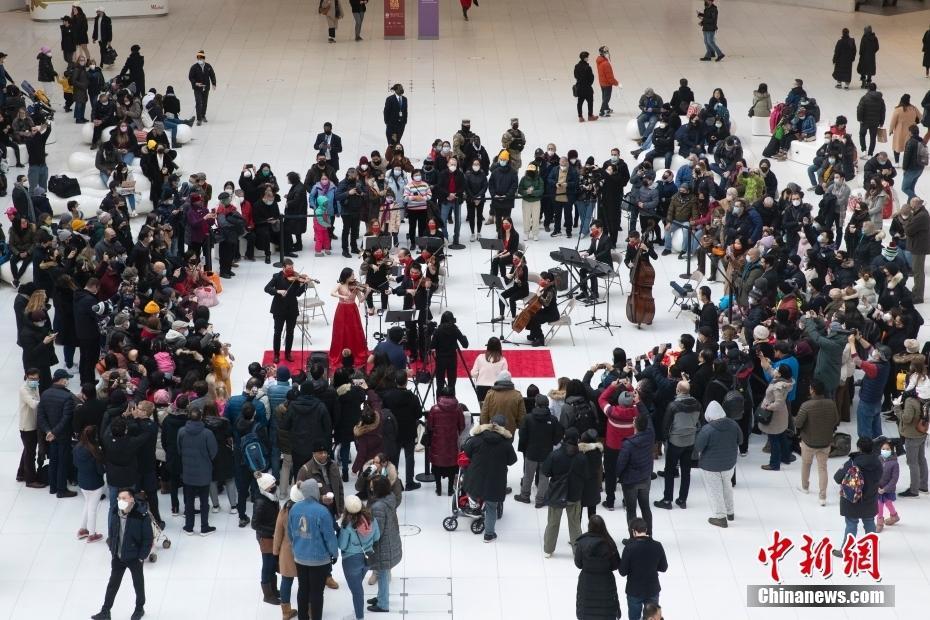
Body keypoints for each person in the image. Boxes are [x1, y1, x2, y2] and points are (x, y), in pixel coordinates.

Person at [89, 490, 152, 620]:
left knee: (138, 584)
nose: (120, 501)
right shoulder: (114, 512)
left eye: (124, 498)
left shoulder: (141, 515)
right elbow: (112, 531)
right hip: (118, 556)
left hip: (134, 557)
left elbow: (148, 538)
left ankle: (139, 609)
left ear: (131, 499)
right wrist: (112, 549)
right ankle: (105, 611)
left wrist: (142, 556)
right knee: (113, 584)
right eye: (119, 498)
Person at [289, 479, 339, 620]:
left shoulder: (294, 509)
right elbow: (329, 537)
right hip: (319, 560)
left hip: (300, 557)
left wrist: (296, 547)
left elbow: (290, 533)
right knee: (317, 593)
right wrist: (334, 553)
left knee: (303, 589)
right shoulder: (322, 512)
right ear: (314, 491)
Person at [462, 414, 518, 542]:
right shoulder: (505, 443)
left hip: (475, 477)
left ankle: (473, 500)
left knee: (472, 488)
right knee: (491, 507)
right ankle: (489, 535)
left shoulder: (477, 439)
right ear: (503, 427)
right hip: (496, 480)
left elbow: (466, 452)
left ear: (491, 422)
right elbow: (512, 461)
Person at [832, 437, 882, 556]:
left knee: (851, 524)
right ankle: (871, 549)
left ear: (859, 448)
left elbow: (837, 478)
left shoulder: (853, 462)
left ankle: (846, 550)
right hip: (870, 499)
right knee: (869, 522)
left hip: (852, 499)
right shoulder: (878, 462)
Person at [695, 401, 742, 527]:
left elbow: (698, 446)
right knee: (727, 487)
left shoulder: (707, 429)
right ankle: (730, 512)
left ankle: (720, 517)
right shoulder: (733, 424)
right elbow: (740, 440)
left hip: (711, 466)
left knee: (715, 491)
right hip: (729, 464)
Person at [654, 381, 700, 510]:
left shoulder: (673, 406)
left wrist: (666, 438)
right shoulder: (697, 404)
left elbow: (666, 426)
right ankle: (682, 500)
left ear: (678, 391)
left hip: (675, 442)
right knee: (686, 472)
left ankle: (667, 500)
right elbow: (699, 422)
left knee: (670, 471)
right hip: (690, 441)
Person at [541, 427, 586, 557]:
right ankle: (577, 551)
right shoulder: (582, 458)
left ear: (564, 438)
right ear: (577, 440)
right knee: (575, 525)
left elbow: (546, 471)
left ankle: (549, 549)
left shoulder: (555, 455)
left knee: (553, 523)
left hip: (557, 494)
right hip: (574, 495)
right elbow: (586, 475)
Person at [795, 380, 840, 506]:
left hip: (808, 441)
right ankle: (822, 497)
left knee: (806, 464)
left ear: (813, 390)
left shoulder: (806, 406)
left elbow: (798, 423)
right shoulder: (831, 403)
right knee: (822, 468)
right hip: (825, 442)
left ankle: (805, 487)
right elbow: (836, 420)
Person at [515, 393, 564, 506]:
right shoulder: (552, 419)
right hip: (546, 453)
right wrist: (551, 442)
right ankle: (540, 500)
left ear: (536, 404)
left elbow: (522, 435)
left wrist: (526, 446)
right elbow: (558, 436)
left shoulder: (528, 418)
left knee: (528, 475)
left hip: (531, 452)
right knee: (544, 477)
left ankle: (525, 496)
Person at [338, 494, 380, 619]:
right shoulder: (371, 519)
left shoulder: (347, 525)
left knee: (356, 591)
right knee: (357, 586)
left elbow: (342, 545)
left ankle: (359, 616)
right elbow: (377, 537)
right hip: (368, 557)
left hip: (351, 561)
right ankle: (358, 610)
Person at [37, 368, 77, 498]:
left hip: (49, 435)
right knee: (62, 462)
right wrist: (54, 432)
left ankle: (53, 487)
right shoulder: (67, 397)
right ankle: (61, 489)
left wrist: (49, 431)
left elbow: (41, 416)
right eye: (67, 379)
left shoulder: (45, 394)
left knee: (53, 460)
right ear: (62, 380)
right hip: (62, 435)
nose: (67, 381)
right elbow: (66, 418)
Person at [178, 408, 218, 536]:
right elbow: (213, 452)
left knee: (189, 501)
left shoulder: (182, 431)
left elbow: (179, 450)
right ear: (201, 417)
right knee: (204, 501)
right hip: (204, 472)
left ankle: (189, 527)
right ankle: (204, 527)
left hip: (188, 472)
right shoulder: (207, 433)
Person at [618, 517, 668, 620]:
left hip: (634, 590)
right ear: (646, 530)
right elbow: (664, 567)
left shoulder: (629, 548)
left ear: (633, 531)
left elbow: (622, 572)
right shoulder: (657, 545)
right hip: (652, 588)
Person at [574, 515, 620, 620]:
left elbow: (578, 564)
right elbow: (616, 564)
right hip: (606, 583)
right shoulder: (609, 543)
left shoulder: (582, 542)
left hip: (586, 582)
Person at [366, 475, 401, 612]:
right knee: (384, 573)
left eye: (372, 486)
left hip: (382, 546)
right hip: (390, 540)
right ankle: (381, 596)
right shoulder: (390, 498)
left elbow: (377, 531)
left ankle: (383, 603)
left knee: (382, 574)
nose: (370, 487)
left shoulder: (378, 507)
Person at [615, 413, 654, 536]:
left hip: (630, 482)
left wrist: (616, 475)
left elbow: (621, 463)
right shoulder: (650, 436)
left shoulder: (628, 444)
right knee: (645, 508)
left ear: (634, 425)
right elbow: (647, 419)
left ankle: (633, 537)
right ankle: (649, 535)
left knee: (631, 510)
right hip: (645, 478)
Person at [264, 259, 308, 364]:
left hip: (292, 309)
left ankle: (288, 353)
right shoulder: (277, 277)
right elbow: (267, 288)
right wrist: (278, 291)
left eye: (292, 267)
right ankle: (276, 354)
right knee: (277, 332)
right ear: (283, 268)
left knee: (290, 332)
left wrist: (304, 285)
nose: (292, 270)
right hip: (278, 309)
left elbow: (297, 294)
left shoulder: (296, 278)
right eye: (289, 268)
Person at [426, 386, 465, 496]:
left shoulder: (434, 408)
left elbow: (429, 426)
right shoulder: (458, 408)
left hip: (437, 442)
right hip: (451, 441)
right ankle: (449, 490)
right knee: (452, 466)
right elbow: (461, 426)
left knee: (437, 465)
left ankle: (438, 489)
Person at [329, 268, 369, 369]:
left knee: (354, 332)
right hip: (342, 310)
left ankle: (354, 353)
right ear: (346, 276)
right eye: (351, 275)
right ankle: (341, 353)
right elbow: (332, 293)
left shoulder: (356, 286)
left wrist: (367, 292)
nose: (353, 277)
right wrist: (342, 296)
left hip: (352, 310)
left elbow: (361, 299)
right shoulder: (340, 285)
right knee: (340, 332)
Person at [252, 472, 282, 605]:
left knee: (272, 563)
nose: (275, 486)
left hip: (272, 536)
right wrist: (274, 531)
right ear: (265, 487)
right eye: (272, 485)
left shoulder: (271, 497)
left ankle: (273, 589)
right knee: (267, 565)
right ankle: (267, 594)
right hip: (266, 538)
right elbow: (255, 524)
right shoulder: (261, 502)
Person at [758, 364, 794, 470]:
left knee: (774, 439)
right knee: (782, 436)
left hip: (774, 416)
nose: (775, 370)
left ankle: (774, 464)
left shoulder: (778, 387)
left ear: (780, 374)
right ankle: (786, 457)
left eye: (777, 370)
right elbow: (772, 371)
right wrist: (763, 360)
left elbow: (778, 403)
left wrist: (768, 407)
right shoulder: (786, 381)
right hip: (782, 415)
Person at [274, 484, 301, 620]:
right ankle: (306, 609)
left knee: (286, 580)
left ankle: (285, 611)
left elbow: (278, 532)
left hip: (287, 551)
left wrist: (275, 552)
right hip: (303, 551)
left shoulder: (284, 509)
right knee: (305, 582)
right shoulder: (305, 510)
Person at [430, 310, 469, 394]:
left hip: (440, 360)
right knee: (451, 384)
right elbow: (465, 345)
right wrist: (464, 337)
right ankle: (452, 404)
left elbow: (432, 346)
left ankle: (439, 403)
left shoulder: (438, 330)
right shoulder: (455, 329)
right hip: (452, 359)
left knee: (439, 384)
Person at [479, 370, 526, 435]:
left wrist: (485, 428)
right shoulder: (517, 395)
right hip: (509, 432)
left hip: (493, 429)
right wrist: (516, 426)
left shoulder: (490, 394)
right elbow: (522, 416)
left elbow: (484, 414)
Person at [903, 196, 930, 303]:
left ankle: (918, 296)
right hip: (918, 246)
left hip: (919, 247)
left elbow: (908, 230)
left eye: (911, 204)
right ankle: (916, 292)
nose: (910, 206)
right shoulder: (919, 214)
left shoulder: (921, 216)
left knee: (918, 271)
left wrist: (908, 222)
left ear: (916, 204)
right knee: (917, 270)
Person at [576, 220, 611, 301]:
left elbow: (605, 252)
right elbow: (591, 249)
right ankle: (584, 292)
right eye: (591, 229)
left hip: (605, 265)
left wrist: (594, 256)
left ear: (600, 229)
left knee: (593, 272)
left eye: (593, 229)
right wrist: (586, 253)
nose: (592, 231)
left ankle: (594, 293)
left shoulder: (607, 239)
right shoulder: (594, 239)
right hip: (596, 264)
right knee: (582, 270)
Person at [524, 270, 560, 347]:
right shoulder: (547, 287)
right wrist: (532, 301)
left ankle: (540, 339)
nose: (541, 281)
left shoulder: (551, 290)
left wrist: (539, 296)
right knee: (532, 314)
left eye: (542, 280)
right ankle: (533, 334)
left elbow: (546, 303)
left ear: (548, 281)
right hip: (548, 311)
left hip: (552, 314)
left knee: (535, 318)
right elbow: (541, 300)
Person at [470, 338, 508, 403]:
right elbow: (505, 377)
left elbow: (473, 373)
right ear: (499, 347)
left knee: (483, 411)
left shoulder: (480, 357)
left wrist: (480, 375)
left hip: (481, 389)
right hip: (496, 389)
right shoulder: (503, 360)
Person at [876, 439, 900, 531]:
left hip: (888, 489)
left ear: (891, 450)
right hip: (878, 488)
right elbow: (875, 474)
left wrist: (885, 489)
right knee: (887, 503)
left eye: (887, 449)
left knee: (880, 504)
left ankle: (879, 522)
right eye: (883, 449)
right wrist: (876, 486)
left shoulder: (894, 463)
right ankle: (894, 516)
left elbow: (894, 479)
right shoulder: (878, 460)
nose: (885, 451)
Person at [188, 50, 217, 126]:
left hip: (206, 87)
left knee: (204, 102)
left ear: (204, 59)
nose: (199, 60)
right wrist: (195, 83)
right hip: (197, 88)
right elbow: (190, 77)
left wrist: (214, 83)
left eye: (201, 59)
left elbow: (212, 75)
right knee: (198, 103)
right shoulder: (194, 67)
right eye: (198, 59)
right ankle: (199, 119)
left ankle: (203, 115)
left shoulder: (208, 66)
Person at [856, 83, 885, 157]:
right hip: (875, 122)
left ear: (868, 89)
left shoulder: (864, 98)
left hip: (864, 121)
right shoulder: (880, 99)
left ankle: (863, 151)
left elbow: (860, 109)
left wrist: (860, 119)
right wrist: (882, 122)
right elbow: (883, 111)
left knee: (862, 135)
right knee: (873, 138)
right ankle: (870, 154)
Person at [901, 125, 926, 202]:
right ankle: (911, 205)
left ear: (910, 133)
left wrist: (904, 168)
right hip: (920, 169)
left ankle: (918, 201)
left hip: (911, 169)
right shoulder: (922, 141)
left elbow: (906, 157)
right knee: (911, 188)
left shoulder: (910, 142)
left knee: (904, 188)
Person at [573, 51, 597, 122]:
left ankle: (580, 117)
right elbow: (591, 78)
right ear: (585, 58)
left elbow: (575, 76)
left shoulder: (576, 66)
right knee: (590, 102)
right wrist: (589, 84)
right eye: (587, 57)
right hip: (587, 88)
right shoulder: (588, 67)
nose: (588, 58)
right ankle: (590, 116)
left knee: (580, 103)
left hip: (579, 87)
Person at [596, 45, 619, 117]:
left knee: (604, 96)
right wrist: (617, 83)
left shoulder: (599, 60)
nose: (608, 53)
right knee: (606, 98)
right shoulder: (606, 64)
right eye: (606, 52)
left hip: (602, 82)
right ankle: (602, 111)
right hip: (607, 84)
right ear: (602, 53)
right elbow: (610, 77)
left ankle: (607, 108)